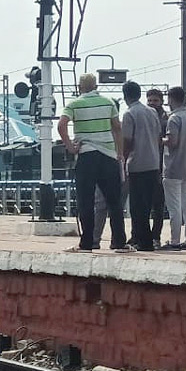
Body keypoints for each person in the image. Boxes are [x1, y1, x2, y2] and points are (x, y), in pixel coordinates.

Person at [58, 74, 131, 252]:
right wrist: (119, 153)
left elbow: (61, 125)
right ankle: (119, 243)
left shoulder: (74, 104)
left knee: (86, 201)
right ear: (96, 85)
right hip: (108, 156)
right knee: (114, 202)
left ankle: (87, 243)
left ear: (79, 87)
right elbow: (117, 128)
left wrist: (70, 146)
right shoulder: (108, 103)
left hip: (87, 155)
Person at [119, 81, 162, 251]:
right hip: (153, 162)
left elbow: (128, 141)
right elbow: (158, 137)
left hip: (137, 164)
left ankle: (143, 242)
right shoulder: (152, 112)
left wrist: (123, 160)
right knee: (148, 204)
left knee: (137, 207)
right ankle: (146, 239)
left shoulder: (129, 114)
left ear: (125, 96)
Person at [161, 87, 186, 249]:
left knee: (174, 206)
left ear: (171, 99)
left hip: (173, 166)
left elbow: (172, 141)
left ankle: (175, 240)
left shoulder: (174, 119)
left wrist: (160, 139)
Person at [146, 88, 168, 246]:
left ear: (161, 101)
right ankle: (143, 235)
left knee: (158, 206)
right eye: (150, 100)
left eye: (155, 100)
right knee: (144, 204)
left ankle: (156, 237)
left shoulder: (166, 119)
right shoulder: (145, 116)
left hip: (161, 165)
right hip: (146, 164)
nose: (152, 103)